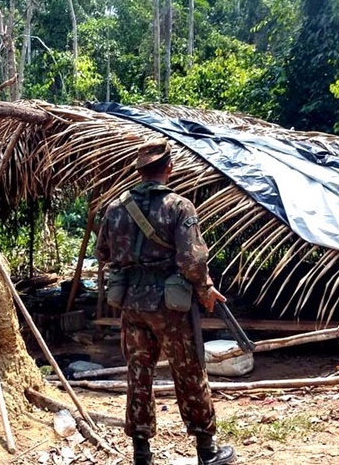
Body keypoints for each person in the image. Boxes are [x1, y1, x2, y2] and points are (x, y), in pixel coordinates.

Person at [95, 139, 236, 465]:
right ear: (168, 168)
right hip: (171, 307)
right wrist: (205, 289)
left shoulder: (116, 208)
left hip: (132, 304)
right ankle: (207, 452)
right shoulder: (179, 207)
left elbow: (103, 253)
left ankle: (142, 455)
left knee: (138, 375)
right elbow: (192, 262)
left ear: (141, 171)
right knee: (189, 372)